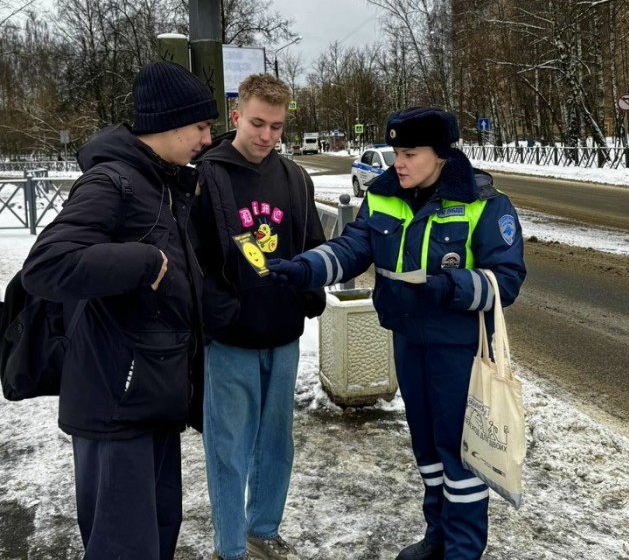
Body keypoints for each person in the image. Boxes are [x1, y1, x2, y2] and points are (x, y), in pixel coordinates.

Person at [269, 107, 526, 560]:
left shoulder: (483, 201)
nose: (398, 163)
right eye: (397, 153)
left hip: (459, 348)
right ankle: (438, 536)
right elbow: (353, 247)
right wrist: (305, 268)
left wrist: (449, 287)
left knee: (460, 453)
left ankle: (463, 550)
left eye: (409, 153)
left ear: (441, 154)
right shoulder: (384, 195)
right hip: (408, 340)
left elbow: (506, 280)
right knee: (426, 446)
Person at [21, 61, 219, 560]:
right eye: (201, 126)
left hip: (151, 398)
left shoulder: (161, 181)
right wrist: (142, 259)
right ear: (170, 125)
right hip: (116, 404)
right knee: (124, 547)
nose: (207, 137)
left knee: (154, 536)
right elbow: (47, 266)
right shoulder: (113, 182)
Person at [191, 74, 326, 560]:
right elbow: (191, 257)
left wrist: (311, 292)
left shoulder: (294, 177)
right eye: (257, 123)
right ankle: (230, 547)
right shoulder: (205, 175)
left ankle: (262, 529)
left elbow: (311, 245)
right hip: (229, 341)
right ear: (235, 116)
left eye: (276, 126)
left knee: (276, 444)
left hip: (282, 335)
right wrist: (217, 310)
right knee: (228, 449)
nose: (266, 135)